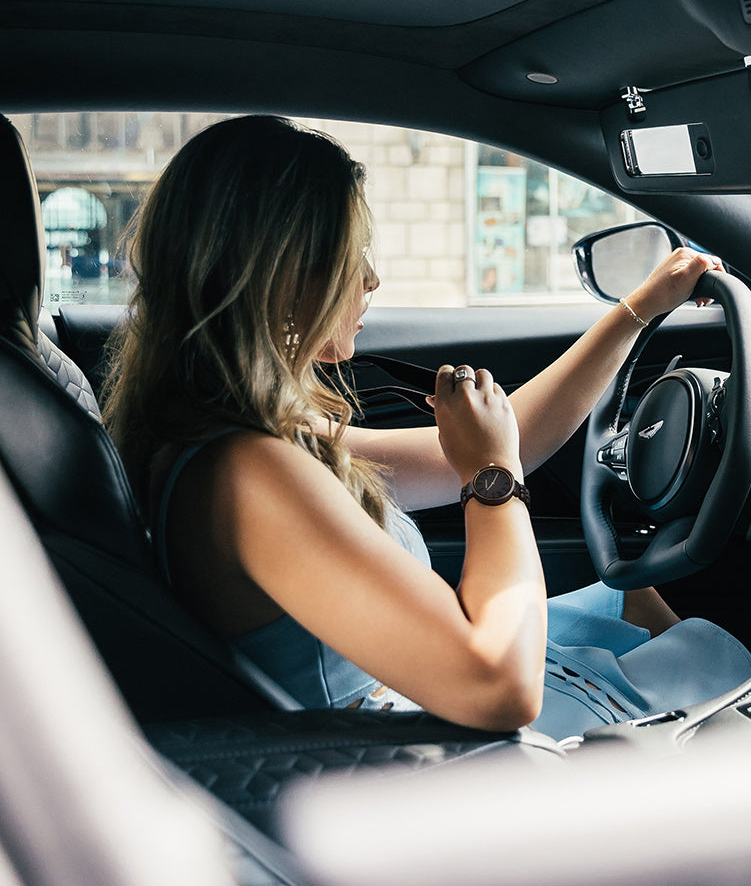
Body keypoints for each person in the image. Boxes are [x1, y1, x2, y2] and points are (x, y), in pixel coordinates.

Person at [103, 115, 751, 737]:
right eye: (349, 253)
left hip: (412, 707)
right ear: (280, 276)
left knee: (629, 600)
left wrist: (635, 309)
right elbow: (501, 688)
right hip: (410, 753)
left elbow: (517, 434)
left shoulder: (240, 435)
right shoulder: (251, 473)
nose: (370, 278)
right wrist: (490, 479)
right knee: (711, 677)